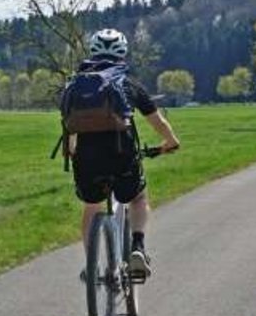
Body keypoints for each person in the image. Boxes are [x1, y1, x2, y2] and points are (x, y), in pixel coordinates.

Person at [63, 28, 180, 279]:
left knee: (92, 206)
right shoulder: (127, 82)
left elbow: (70, 123)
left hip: (87, 158)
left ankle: (91, 264)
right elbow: (156, 120)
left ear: (92, 51)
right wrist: (170, 141)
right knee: (138, 198)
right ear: (123, 52)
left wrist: (72, 150)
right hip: (121, 153)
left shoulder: (76, 84)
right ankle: (137, 247)